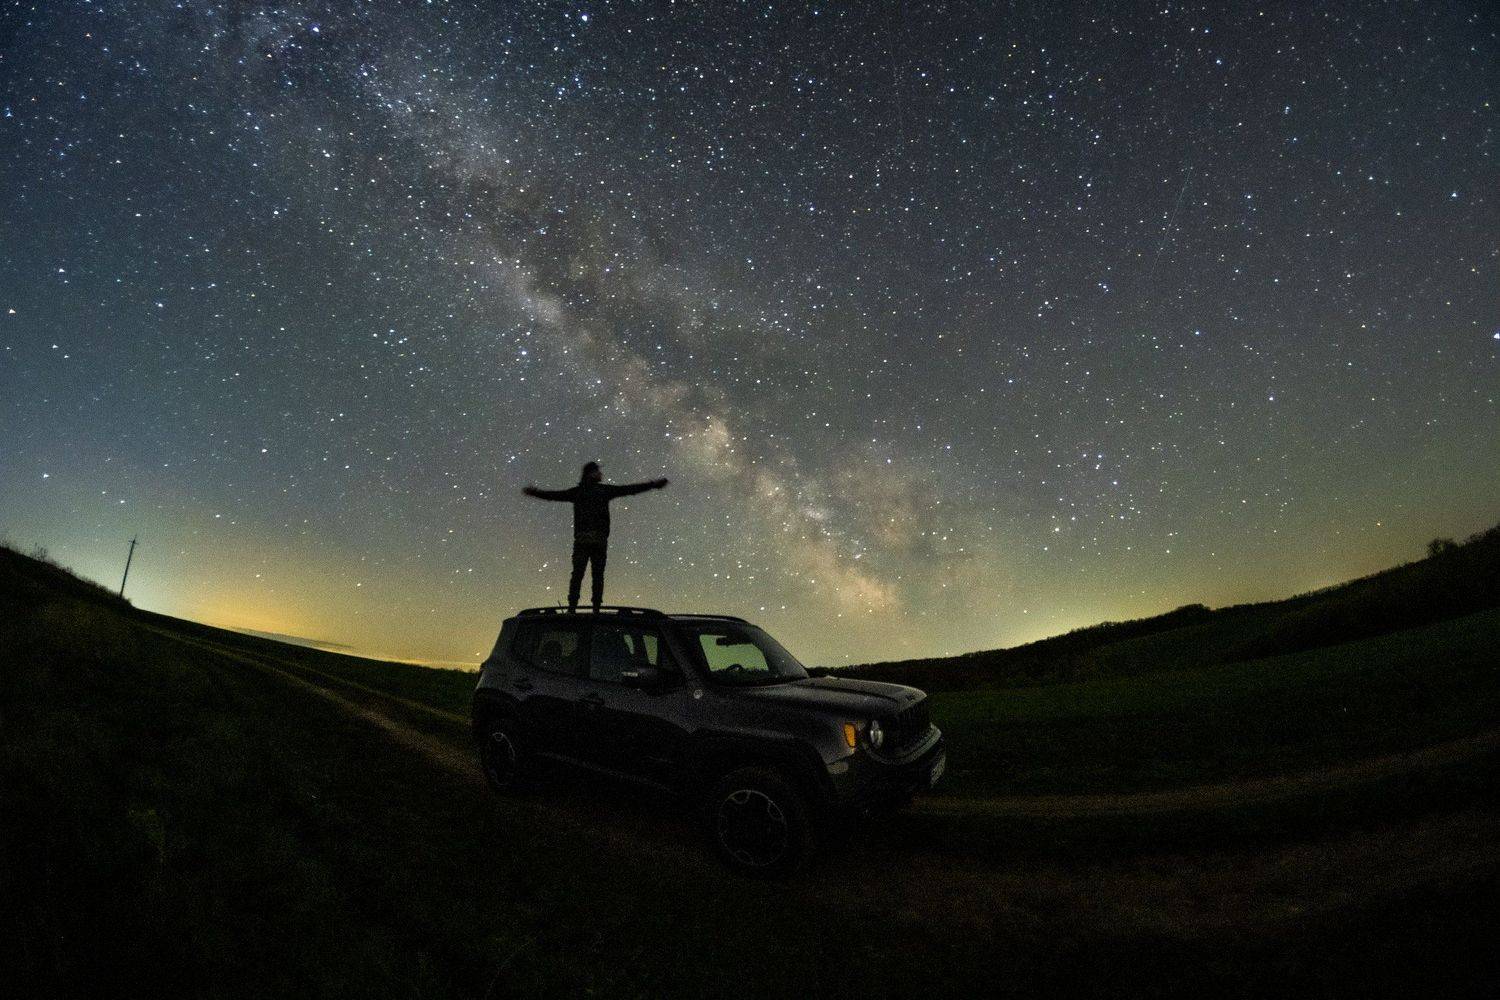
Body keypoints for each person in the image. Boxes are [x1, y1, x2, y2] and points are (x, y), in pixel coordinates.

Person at [522, 462, 669, 611]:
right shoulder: (603, 491)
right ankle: (595, 608)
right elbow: (628, 489)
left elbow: (553, 496)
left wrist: (535, 492)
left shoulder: (579, 492)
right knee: (596, 575)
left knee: (579, 574)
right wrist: (653, 485)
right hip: (597, 540)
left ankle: (573, 607)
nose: (601, 474)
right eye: (598, 471)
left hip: (584, 539)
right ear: (591, 473)